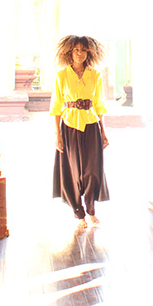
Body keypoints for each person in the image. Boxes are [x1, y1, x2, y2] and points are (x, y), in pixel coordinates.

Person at [50, 35, 110, 229]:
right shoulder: (61, 75)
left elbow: (100, 105)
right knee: (73, 172)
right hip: (69, 127)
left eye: (84, 50)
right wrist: (58, 136)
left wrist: (104, 132)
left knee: (92, 171)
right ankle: (78, 212)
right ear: (70, 52)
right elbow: (56, 107)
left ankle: (91, 208)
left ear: (89, 52)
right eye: (76, 50)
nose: (80, 53)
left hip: (91, 125)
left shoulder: (95, 75)